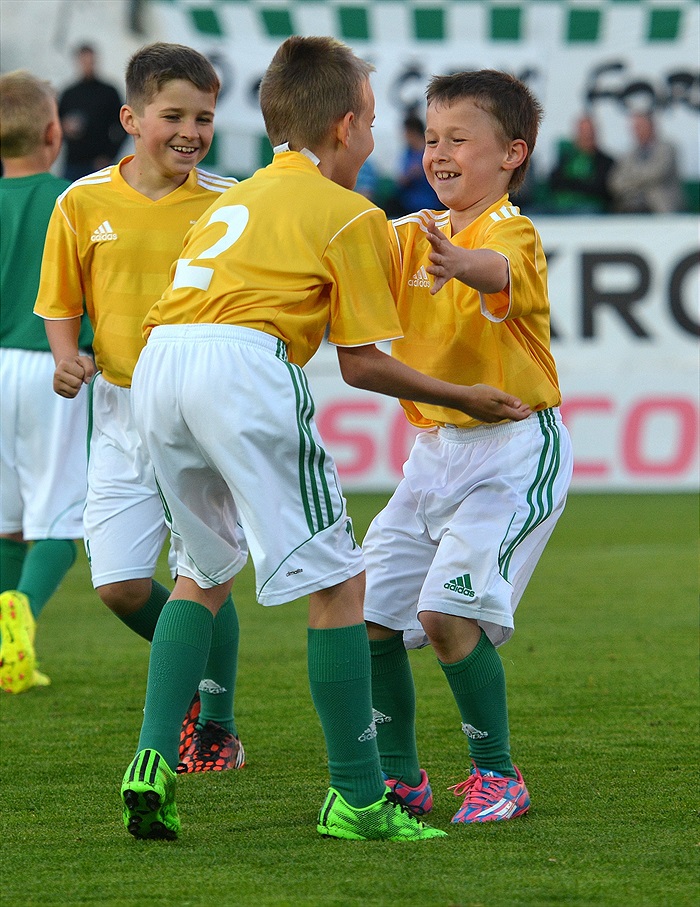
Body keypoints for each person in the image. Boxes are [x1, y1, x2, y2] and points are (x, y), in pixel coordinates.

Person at [121, 35, 531, 842]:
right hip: (241, 366)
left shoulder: (233, 198)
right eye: (371, 122)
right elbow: (362, 363)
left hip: (158, 364)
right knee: (342, 586)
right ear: (345, 126)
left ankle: (151, 758)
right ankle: (358, 796)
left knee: (199, 574)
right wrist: (463, 395)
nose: (375, 138)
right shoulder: (349, 212)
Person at [362, 70, 574, 825]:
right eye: (431, 138)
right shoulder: (409, 232)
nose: (438, 153)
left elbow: (498, 270)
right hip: (432, 455)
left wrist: (457, 261)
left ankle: (498, 775)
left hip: (512, 454)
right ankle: (401, 778)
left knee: (445, 617)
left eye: (459, 139)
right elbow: (346, 245)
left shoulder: (509, 231)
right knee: (367, 617)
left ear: (513, 154)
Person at [34, 43, 245, 772]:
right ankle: (188, 660)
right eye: (173, 116)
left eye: (204, 118)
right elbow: (60, 302)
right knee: (120, 586)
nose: (191, 132)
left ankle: (214, 723)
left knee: (204, 570)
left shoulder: (231, 204)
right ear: (130, 118)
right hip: (119, 410)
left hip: (199, 411)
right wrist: (67, 356)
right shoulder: (81, 200)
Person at [0, 71, 93, 693]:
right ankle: (20, 622)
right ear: (54, 133)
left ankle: (9, 652)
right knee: (58, 518)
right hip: (51, 365)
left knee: (6, 521)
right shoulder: (74, 201)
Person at [58, 43, 126, 181]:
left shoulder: (108, 92)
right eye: (84, 61)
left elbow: (124, 125)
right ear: (78, 62)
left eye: (91, 61)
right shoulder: (69, 94)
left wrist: (110, 155)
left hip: (99, 164)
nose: (88, 65)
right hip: (73, 163)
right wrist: (65, 127)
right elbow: (56, 125)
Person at [609, 111, 685, 214]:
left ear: (652, 127)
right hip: (632, 208)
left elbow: (656, 174)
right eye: (635, 128)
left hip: (662, 208)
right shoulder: (628, 155)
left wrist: (630, 179)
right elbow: (615, 182)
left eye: (641, 127)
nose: (637, 131)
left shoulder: (667, 149)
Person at [547, 113, 615, 213]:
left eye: (589, 132)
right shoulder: (566, 158)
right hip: (560, 207)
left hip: (590, 208)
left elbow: (600, 188)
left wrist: (570, 183)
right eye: (583, 132)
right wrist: (581, 184)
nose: (587, 136)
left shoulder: (605, 161)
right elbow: (554, 181)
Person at [387, 113, 442, 216]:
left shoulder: (432, 152)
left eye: (406, 133)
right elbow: (400, 180)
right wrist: (410, 175)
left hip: (431, 202)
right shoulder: (407, 153)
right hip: (408, 202)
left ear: (413, 132)